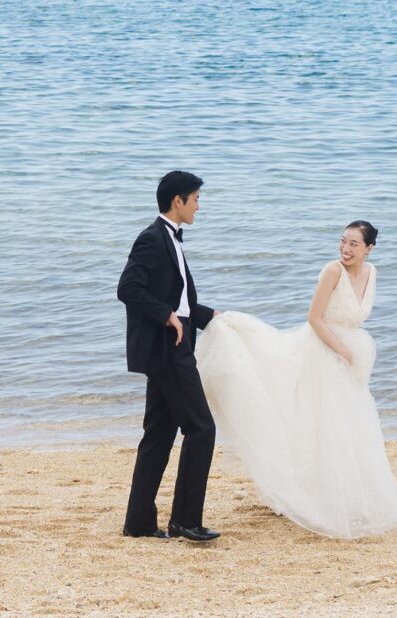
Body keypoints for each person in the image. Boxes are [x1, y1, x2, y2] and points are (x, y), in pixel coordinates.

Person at [192, 220, 397, 538]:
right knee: (322, 422)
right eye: (343, 241)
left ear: (369, 248)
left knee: (352, 425)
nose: (345, 249)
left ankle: (347, 495)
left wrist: (352, 354)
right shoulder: (332, 271)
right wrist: (340, 350)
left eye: (353, 244)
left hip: (351, 358)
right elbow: (314, 318)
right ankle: (313, 496)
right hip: (322, 353)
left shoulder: (372, 273)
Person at [117, 170, 219, 542]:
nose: (198, 206)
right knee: (202, 429)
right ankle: (185, 521)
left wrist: (211, 318)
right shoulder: (151, 239)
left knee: (159, 435)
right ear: (178, 201)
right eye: (195, 199)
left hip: (169, 349)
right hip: (170, 350)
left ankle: (139, 523)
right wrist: (166, 316)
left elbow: (181, 302)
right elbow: (128, 288)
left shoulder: (169, 239)